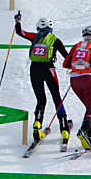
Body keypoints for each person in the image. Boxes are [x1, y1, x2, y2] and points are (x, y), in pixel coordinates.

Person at [14, 14, 70, 142]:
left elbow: (20, 32)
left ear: (38, 27)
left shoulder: (34, 36)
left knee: (41, 100)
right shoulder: (55, 39)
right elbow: (66, 57)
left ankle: (37, 124)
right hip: (49, 69)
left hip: (34, 69)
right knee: (57, 98)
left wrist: (18, 20)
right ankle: (64, 128)